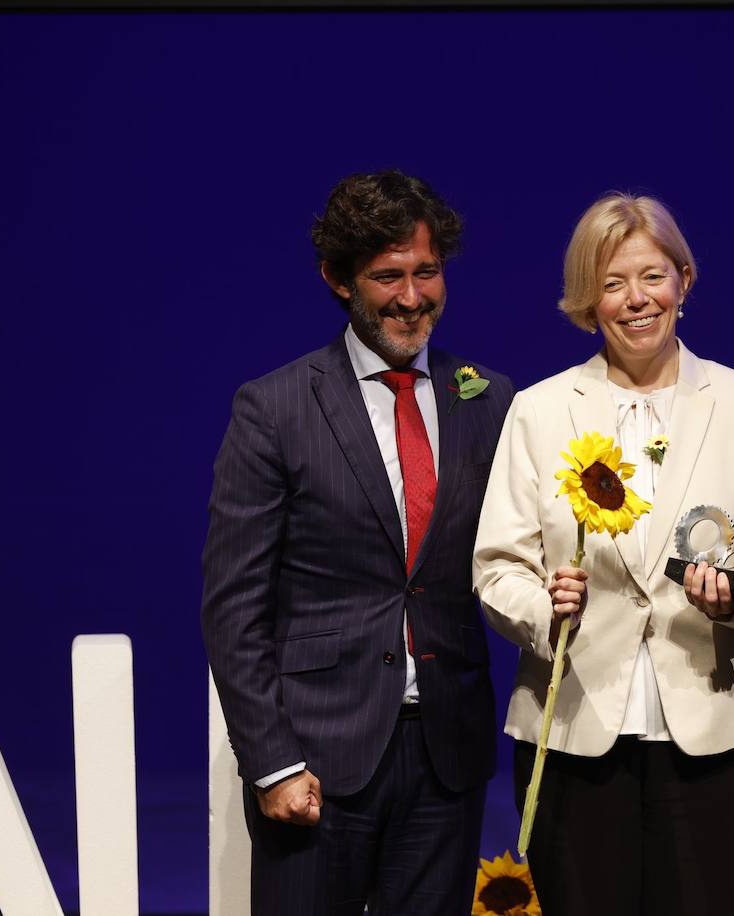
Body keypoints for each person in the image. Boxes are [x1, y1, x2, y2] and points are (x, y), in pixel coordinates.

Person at [472, 193, 734, 916]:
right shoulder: (539, 409)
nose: (635, 300)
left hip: (713, 724)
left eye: (652, 276)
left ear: (684, 280)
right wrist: (544, 608)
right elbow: (496, 565)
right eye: (612, 284)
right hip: (573, 726)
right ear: (587, 302)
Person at [201, 170, 513, 915]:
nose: (412, 297)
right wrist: (271, 761)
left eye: (427, 272)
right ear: (338, 280)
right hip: (316, 760)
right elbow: (233, 607)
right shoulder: (275, 407)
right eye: (387, 276)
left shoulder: (489, 397)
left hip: (447, 755)